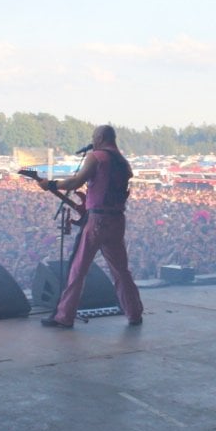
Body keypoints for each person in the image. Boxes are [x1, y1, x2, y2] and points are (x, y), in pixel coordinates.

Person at [40, 125, 144, 327]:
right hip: (117, 219)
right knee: (121, 270)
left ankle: (64, 316)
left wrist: (52, 184)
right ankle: (134, 313)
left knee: (78, 269)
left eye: (94, 137)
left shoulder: (96, 157)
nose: (93, 140)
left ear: (101, 137)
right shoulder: (122, 161)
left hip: (98, 220)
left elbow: (76, 182)